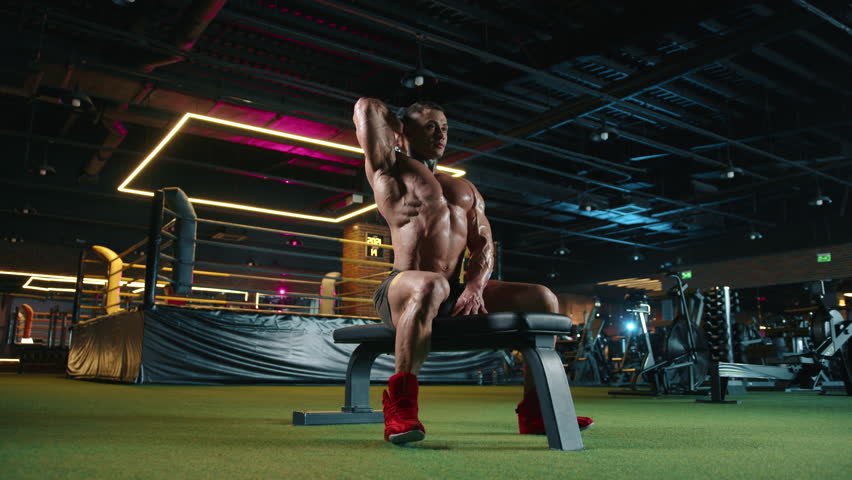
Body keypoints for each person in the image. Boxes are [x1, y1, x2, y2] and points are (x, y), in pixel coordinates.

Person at [353, 98, 593, 445]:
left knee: (542, 297)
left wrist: (476, 287)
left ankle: (536, 410)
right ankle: (401, 408)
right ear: (403, 131)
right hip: (402, 290)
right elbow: (367, 107)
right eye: (431, 126)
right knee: (431, 285)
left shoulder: (464, 189)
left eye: (446, 128)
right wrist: (400, 123)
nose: (441, 134)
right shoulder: (390, 170)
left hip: (452, 291)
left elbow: (485, 246)